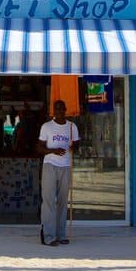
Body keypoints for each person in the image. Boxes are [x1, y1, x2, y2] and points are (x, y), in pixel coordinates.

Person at [37, 99, 79, 246]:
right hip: (50, 165)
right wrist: (53, 150)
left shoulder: (72, 127)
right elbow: (39, 148)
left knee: (62, 202)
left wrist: (74, 147)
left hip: (66, 166)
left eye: (62, 108)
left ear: (66, 109)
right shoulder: (46, 127)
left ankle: (60, 235)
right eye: (57, 109)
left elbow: (77, 144)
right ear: (53, 111)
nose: (60, 111)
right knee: (49, 201)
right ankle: (48, 236)